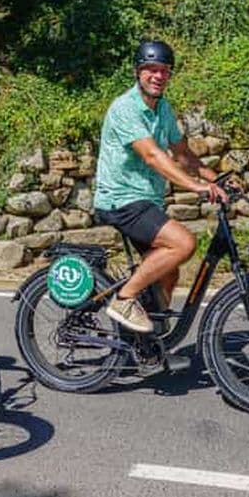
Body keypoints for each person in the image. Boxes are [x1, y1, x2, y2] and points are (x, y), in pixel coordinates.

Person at [93, 40, 228, 335]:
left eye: (164, 70)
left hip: (146, 200)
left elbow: (182, 153)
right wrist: (196, 187)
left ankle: (150, 338)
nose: (157, 76)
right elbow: (153, 156)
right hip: (121, 199)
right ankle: (125, 299)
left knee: (169, 272)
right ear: (138, 73)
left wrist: (214, 178)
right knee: (183, 243)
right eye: (150, 69)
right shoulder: (125, 108)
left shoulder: (163, 108)